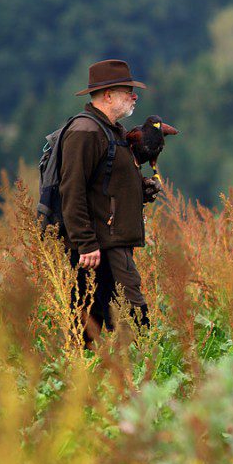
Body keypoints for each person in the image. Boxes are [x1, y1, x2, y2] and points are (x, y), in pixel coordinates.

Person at [60, 59, 161, 341]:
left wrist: (141, 190)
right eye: (127, 90)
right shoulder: (86, 131)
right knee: (131, 319)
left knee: (92, 319)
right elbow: (72, 189)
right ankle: (141, 374)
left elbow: (105, 185)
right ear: (107, 95)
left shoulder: (111, 130)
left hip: (111, 243)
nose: (134, 96)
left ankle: (97, 379)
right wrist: (86, 242)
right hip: (96, 247)